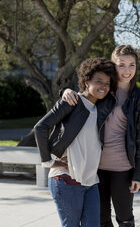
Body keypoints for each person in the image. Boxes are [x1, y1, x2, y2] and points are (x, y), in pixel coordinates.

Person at [62, 45, 140, 227]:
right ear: (113, 65)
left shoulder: (139, 99)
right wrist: (65, 92)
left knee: (125, 219)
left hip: (123, 169)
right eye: (121, 64)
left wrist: (138, 175)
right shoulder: (103, 91)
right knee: (101, 219)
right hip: (96, 168)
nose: (127, 70)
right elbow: (81, 98)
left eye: (131, 65)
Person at [34, 57, 117, 227]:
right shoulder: (72, 102)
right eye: (98, 81)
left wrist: (64, 89)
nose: (103, 87)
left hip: (91, 181)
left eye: (107, 83)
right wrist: (47, 161)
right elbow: (40, 127)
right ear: (87, 82)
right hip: (66, 179)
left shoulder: (101, 107)